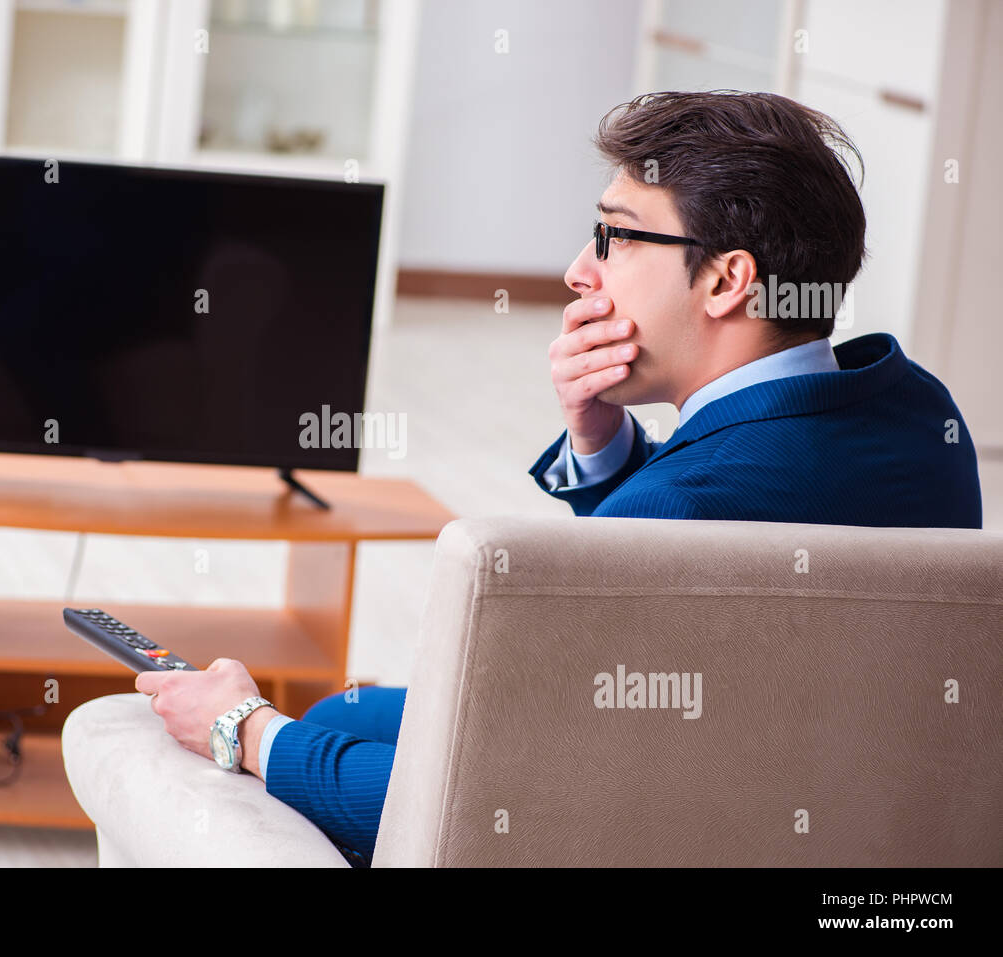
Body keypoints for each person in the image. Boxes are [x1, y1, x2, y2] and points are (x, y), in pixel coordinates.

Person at [134, 90, 984, 866]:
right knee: (349, 712)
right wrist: (604, 439)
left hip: (664, 821)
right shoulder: (920, 416)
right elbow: (748, 514)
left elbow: (468, 813)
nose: (581, 268)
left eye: (615, 235)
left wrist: (243, 729)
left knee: (318, 729)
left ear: (728, 279)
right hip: (840, 810)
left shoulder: (668, 519)